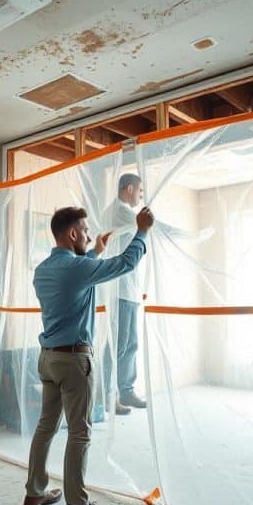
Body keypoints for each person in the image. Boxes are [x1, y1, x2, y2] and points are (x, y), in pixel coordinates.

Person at [23, 204, 155, 505]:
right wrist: (141, 231)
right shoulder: (77, 269)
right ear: (71, 234)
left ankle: (34, 493)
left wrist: (94, 251)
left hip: (48, 359)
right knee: (79, 434)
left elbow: (78, 275)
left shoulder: (43, 271)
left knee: (46, 427)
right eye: (84, 230)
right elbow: (125, 263)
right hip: (73, 361)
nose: (88, 234)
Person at [101, 173, 150, 411]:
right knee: (118, 345)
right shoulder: (119, 211)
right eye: (140, 192)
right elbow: (150, 227)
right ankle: (109, 396)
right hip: (119, 290)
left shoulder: (126, 214)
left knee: (130, 344)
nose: (141, 197)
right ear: (129, 188)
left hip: (130, 291)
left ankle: (126, 391)